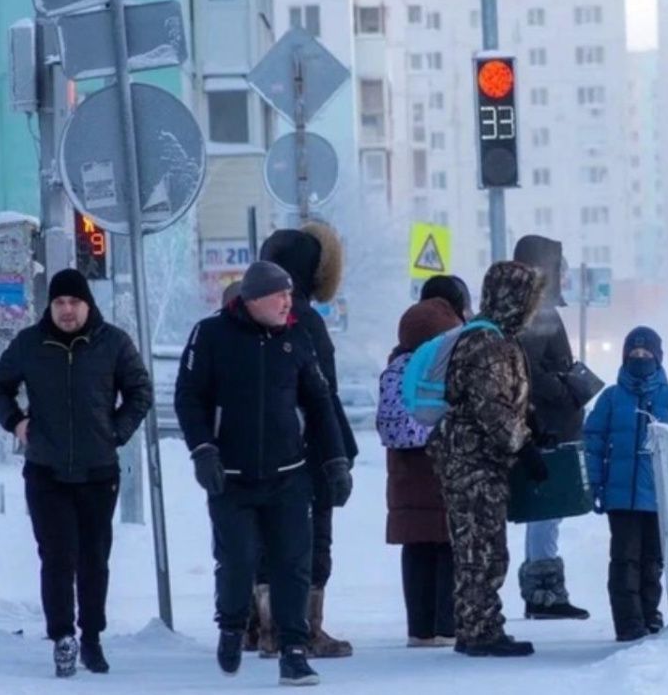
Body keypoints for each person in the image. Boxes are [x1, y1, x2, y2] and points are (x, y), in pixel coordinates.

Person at [174, 260, 350, 686]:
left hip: (289, 474)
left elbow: (320, 404)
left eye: (290, 294)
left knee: (293, 565)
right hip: (230, 476)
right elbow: (189, 398)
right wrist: (203, 451)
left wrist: (336, 462)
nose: (288, 302)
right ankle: (232, 627)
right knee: (238, 561)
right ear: (252, 300)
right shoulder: (212, 335)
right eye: (279, 295)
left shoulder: (296, 337)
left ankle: (293, 651)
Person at [0, 268, 153, 678]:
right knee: (57, 557)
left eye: (74, 302)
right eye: (59, 302)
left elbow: (140, 390)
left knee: (94, 559)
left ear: (87, 304)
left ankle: (92, 638)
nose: (66, 310)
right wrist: (16, 422)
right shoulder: (30, 343)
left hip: (98, 472)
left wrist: (117, 429)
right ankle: (62, 637)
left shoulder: (112, 343)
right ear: (51, 306)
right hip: (47, 470)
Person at [427, 261, 547, 657]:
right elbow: (490, 407)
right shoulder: (487, 343)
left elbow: (504, 399)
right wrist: (523, 445)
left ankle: (480, 626)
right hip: (472, 464)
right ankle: (478, 632)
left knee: (484, 546)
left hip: (478, 460)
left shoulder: (496, 337)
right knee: (480, 549)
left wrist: (530, 426)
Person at [257, 222, 357, 658]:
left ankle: (261, 628)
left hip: (252, 449)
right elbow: (323, 393)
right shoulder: (305, 319)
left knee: (259, 535)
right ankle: (304, 628)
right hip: (307, 451)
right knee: (313, 538)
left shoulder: (241, 311)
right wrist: (338, 454)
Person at [584, 327, 668, 642]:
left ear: (658, 357)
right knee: (624, 560)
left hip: (659, 497)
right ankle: (628, 623)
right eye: (634, 354)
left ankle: (651, 617)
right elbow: (592, 442)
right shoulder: (610, 398)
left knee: (652, 561)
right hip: (620, 496)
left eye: (646, 354)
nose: (640, 358)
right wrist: (594, 484)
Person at [512, 235, 590, 620]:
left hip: (548, 423)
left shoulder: (531, 308)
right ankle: (544, 593)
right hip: (547, 426)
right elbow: (529, 369)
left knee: (547, 511)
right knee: (547, 509)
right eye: (558, 266)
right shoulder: (535, 312)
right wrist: (566, 388)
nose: (564, 272)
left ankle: (542, 590)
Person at [378, 297, 463, 647]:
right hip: (439, 474)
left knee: (415, 552)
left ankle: (419, 628)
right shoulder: (436, 369)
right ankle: (446, 626)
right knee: (447, 548)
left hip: (404, 480)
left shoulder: (394, 369)